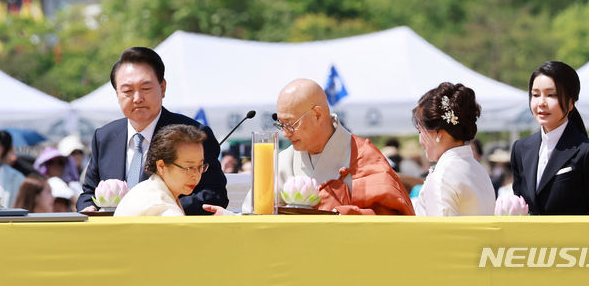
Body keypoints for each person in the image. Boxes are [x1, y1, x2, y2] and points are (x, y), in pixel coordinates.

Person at [77, 47, 228, 214]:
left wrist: (160, 211)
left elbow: (214, 194)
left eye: (146, 88)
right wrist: (88, 208)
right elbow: (89, 193)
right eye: (127, 91)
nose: (137, 98)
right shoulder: (104, 137)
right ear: (117, 94)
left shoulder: (192, 135)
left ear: (162, 88)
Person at [239, 79, 414, 215]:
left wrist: (342, 215)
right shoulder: (282, 161)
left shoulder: (364, 158)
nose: (286, 134)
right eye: (281, 125)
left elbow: (391, 220)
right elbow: (252, 215)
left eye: (291, 124)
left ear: (317, 114)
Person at [510, 61, 589, 215]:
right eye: (535, 95)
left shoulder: (588, 152)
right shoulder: (520, 148)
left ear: (571, 102)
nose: (541, 103)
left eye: (551, 95)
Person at [412, 82, 495, 216]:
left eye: (420, 131)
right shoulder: (478, 169)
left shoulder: (443, 175)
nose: (420, 140)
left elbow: (442, 232)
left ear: (438, 132)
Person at [115, 125, 207, 216]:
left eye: (200, 166)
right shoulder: (159, 206)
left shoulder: (149, 189)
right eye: (189, 168)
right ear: (161, 166)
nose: (196, 175)